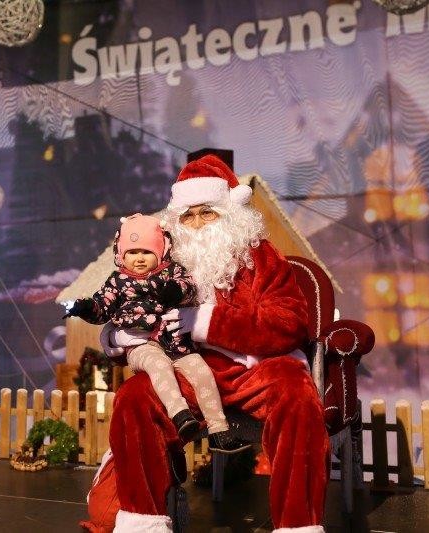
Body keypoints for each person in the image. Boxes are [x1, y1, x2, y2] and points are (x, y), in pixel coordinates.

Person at [82, 155, 328, 533]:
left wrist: (206, 322)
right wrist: (116, 337)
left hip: (256, 367)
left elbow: (288, 323)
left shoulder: (261, 256)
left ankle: (298, 526)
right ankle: (144, 522)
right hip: (189, 368)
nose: (197, 225)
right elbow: (128, 308)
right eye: (188, 216)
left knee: (297, 395)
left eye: (207, 213)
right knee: (135, 397)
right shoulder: (162, 262)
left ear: (230, 213)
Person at [66, 213, 248, 452]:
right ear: (121, 254)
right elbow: (103, 306)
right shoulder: (117, 282)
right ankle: (181, 415)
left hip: (176, 343)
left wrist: (174, 291)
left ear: (161, 251)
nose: (139, 258)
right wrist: (87, 308)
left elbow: (188, 287)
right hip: (140, 344)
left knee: (202, 372)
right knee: (158, 366)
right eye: (132, 252)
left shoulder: (172, 272)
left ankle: (219, 430)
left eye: (146, 252)